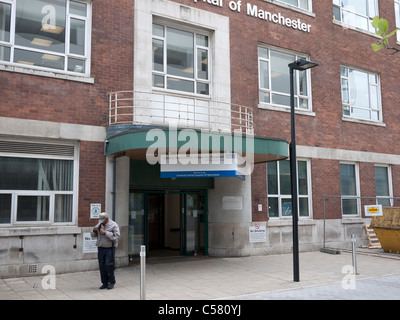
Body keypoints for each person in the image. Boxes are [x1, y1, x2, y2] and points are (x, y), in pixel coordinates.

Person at [91, 212, 120, 290]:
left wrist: (105, 233)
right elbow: (92, 235)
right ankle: (104, 282)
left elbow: (116, 236)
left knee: (109, 265)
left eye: (103, 220)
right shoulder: (99, 224)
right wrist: (94, 231)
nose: (101, 222)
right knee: (102, 265)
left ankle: (112, 282)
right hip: (100, 247)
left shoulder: (113, 225)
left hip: (109, 248)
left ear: (107, 219)